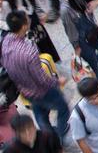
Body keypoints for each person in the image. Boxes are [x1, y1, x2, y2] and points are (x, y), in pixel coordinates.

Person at [0, 11, 70, 139]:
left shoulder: (5, 42)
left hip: (24, 90)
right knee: (63, 108)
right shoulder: (29, 50)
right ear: (23, 26)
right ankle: (58, 139)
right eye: (27, 19)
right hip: (42, 90)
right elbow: (41, 79)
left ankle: (47, 135)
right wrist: (57, 81)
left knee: (40, 113)